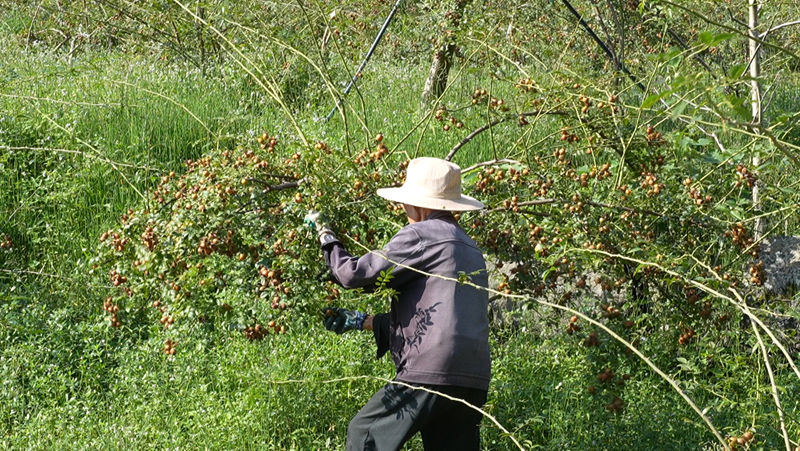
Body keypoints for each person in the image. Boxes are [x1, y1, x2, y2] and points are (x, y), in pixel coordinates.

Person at [304, 157, 491, 451]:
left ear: (419, 205)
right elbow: (437, 318)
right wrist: (361, 322)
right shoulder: (470, 248)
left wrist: (326, 236)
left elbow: (352, 274)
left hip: (432, 369)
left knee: (366, 433)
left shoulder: (421, 235)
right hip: (473, 376)